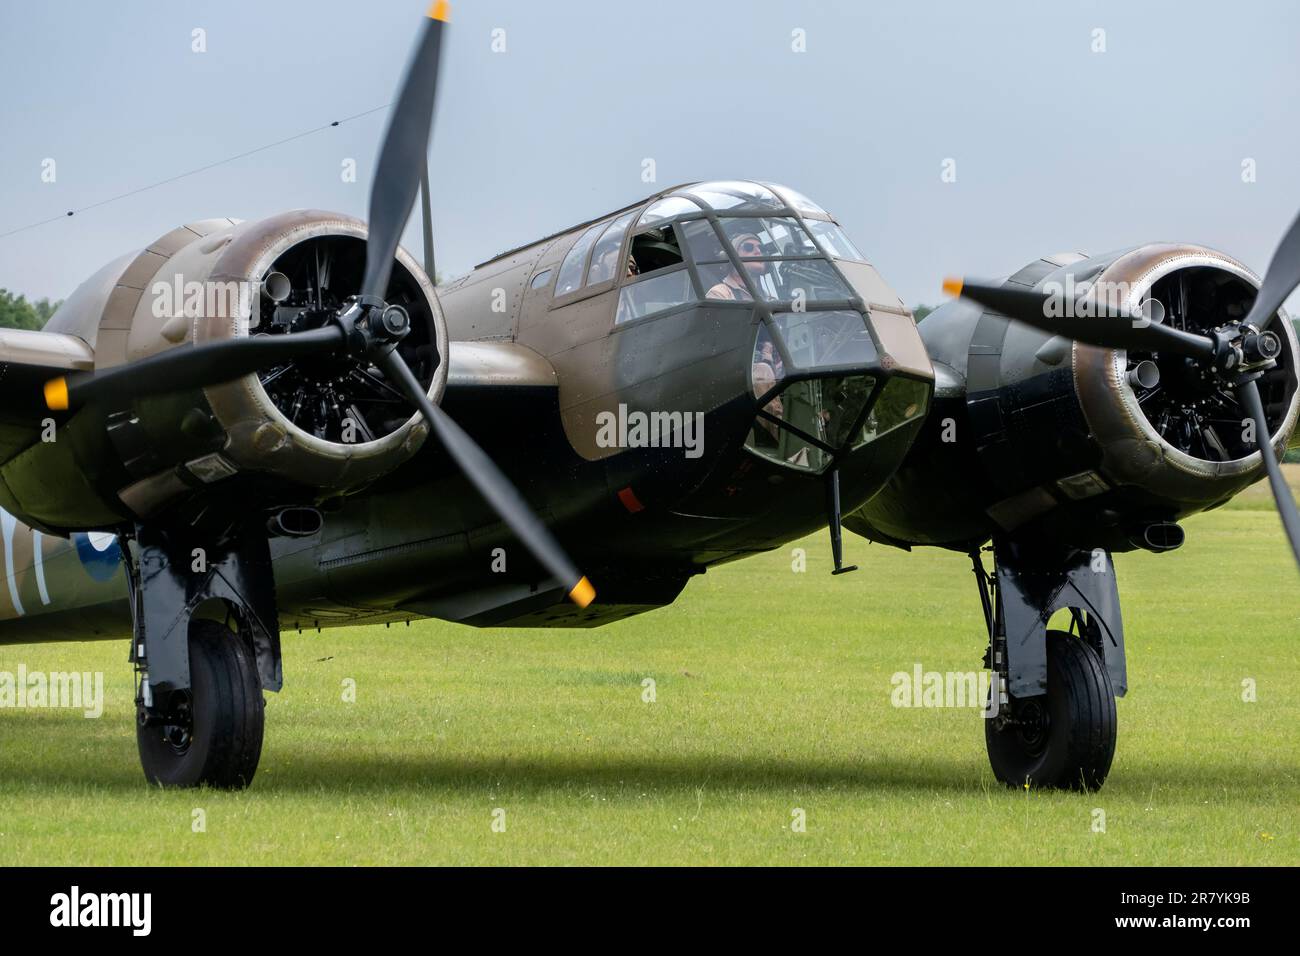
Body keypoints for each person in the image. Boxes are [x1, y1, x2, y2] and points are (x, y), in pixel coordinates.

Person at [705, 232, 768, 301]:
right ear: (732, 258)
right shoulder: (720, 294)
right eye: (748, 247)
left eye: (761, 248)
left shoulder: (766, 296)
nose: (758, 251)